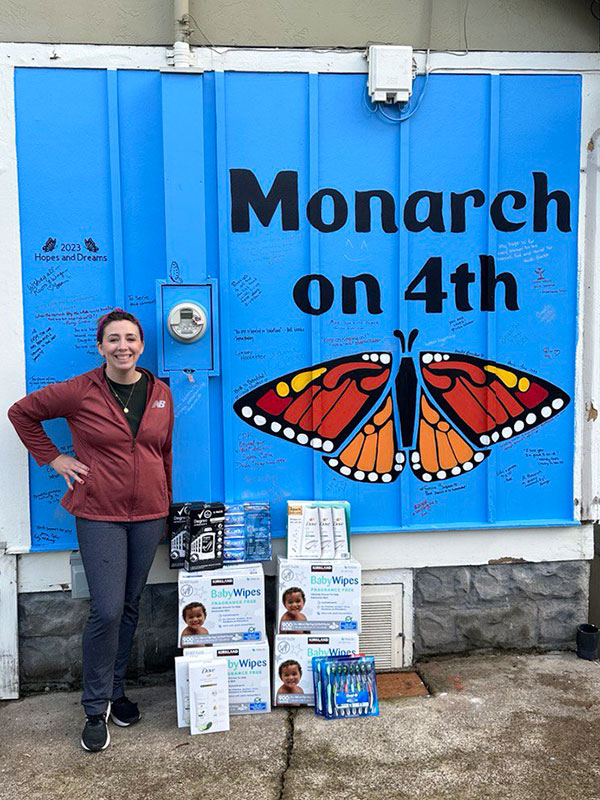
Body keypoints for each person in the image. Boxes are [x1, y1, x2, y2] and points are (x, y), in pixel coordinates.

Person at [8, 308, 174, 753]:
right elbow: (21, 413)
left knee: (130, 604)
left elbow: (163, 452)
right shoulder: (82, 390)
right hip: (99, 512)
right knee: (106, 610)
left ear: (142, 345)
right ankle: (95, 706)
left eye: (131, 339)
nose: (124, 346)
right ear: (100, 347)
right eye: (114, 339)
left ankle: (117, 691)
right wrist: (54, 458)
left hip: (148, 513)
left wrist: (165, 503)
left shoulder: (160, 393)